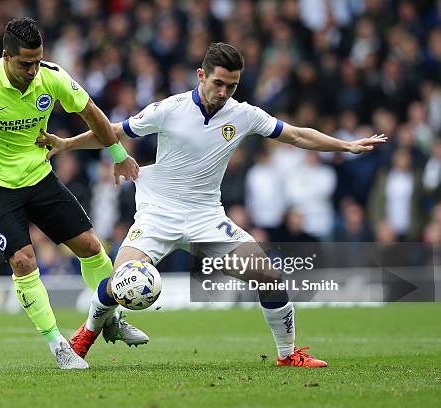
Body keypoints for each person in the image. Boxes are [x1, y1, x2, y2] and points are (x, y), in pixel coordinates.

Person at [39, 43, 387, 367]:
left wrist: (346, 146)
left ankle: (288, 354)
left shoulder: (244, 114)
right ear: (201, 75)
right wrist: (67, 144)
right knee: (120, 280)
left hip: (206, 218)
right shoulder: (169, 109)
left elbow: (296, 134)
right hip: (158, 215)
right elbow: (113, 131)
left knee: (270, 277)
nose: (223, 93)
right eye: (218, 83)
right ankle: (85, 336)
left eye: (232, 86)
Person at [0, 17, 145, 370]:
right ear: (5, 56)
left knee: (92, 246)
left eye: (36, 61)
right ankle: (58, 344)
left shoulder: (52, 76)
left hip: (39, 175)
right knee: (23, 261)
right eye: (24, 63)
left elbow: (91, 113)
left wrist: (119, 155)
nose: (32, 70)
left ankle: (112, 319)